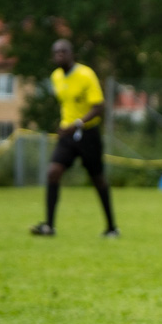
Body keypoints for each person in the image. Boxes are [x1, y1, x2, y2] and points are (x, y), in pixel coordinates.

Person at [30, 39, 119, 238]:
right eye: (56, 52)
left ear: (72, 54)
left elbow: (98, 106)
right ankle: (49, 226)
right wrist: (65, 126)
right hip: (67, 135)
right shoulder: (55, 77)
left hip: (88, 133)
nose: (59, 55)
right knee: (53, 172)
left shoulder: (86, 74)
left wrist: (77, 123)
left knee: (98, 179)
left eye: (63, 51)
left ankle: (111, 227)